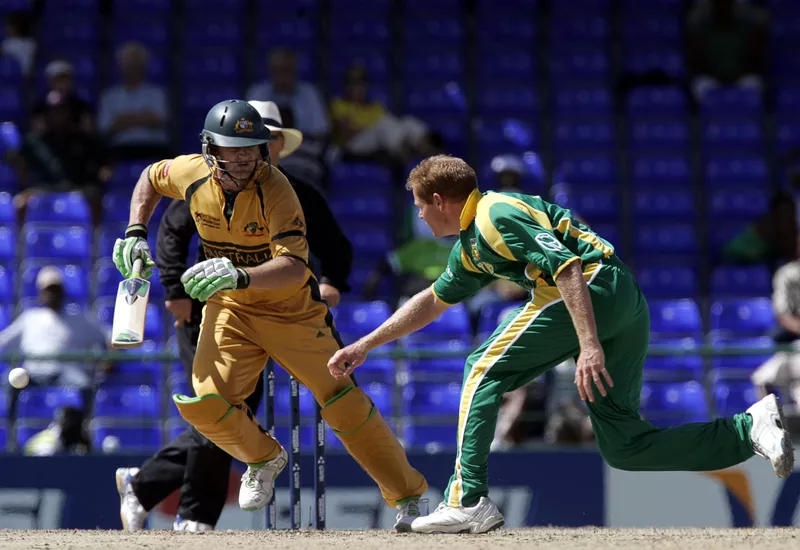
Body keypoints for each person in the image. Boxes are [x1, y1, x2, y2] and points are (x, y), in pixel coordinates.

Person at [327, 155, 795, 534]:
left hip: (592, 291)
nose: (418, 216)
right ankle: (745, 429)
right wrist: (367, 344)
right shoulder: (472, 243)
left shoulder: (494, 214)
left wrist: (588, 345)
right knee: (624, 446)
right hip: (621, 299)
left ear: (437, 199)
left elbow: (568, 267)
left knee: (481, 369)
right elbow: (431, 301)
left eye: (419, 206)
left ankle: (466, 500)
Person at [111, 99, 427, 532]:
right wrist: (134, 231)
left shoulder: (279, 191)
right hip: (231, 308)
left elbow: (295, 267)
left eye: (251, 148)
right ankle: (263, 457)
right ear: (210, 149)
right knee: (207, 404)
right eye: (232, 148)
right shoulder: (191, 173)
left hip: (292, 311)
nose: (244, 157)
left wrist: (239, 274)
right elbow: (150, 177)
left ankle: (409, 498)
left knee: (343, 403)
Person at [0, 267, 109, 429]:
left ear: (63, 291)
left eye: (55, 289)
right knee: (8, 383)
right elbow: (4, 341)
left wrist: (108, 360)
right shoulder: (30, 318)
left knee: (85, 386)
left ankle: (83, 430)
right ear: (40, 292)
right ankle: (9, 430)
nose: (51, 294)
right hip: (32, 373)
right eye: (47, 290)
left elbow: (108, 337)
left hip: (65, 371)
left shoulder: (79, 318)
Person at [97, 42, 170, 161]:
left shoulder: (157, 94)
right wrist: (143, 117)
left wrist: (122, 119)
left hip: (153, 149)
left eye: (136, 63)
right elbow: (106, 127)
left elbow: (158, 118)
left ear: (144, 66)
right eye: (128, 63)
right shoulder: (109, 96)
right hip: (119, 150)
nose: (132, 67)